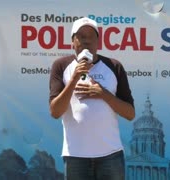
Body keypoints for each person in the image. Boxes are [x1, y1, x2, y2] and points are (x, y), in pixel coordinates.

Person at [49, 17, 135, 180]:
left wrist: (103, 94)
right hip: (75, 157)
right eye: (81, 36)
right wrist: (74, 78)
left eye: (91, 36)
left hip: (111, 156)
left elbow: (130, 114)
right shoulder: (60, 66)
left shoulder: (114, 66)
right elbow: (55, 111)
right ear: (72, 41)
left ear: (98, 41)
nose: (86, 41)